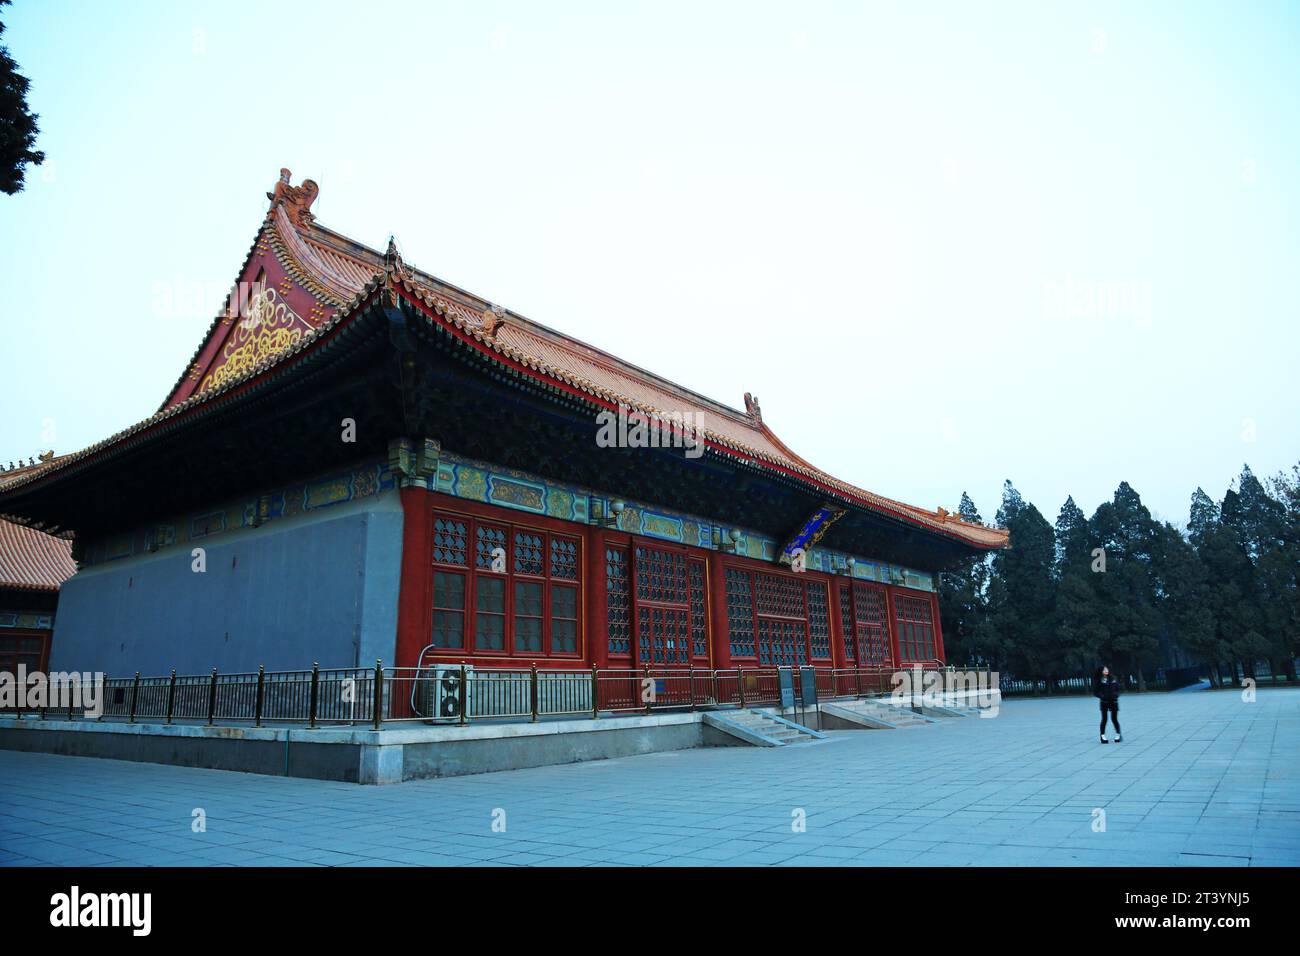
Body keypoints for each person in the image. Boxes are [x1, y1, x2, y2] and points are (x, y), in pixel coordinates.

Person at [1093, 665, 1122, 743]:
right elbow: (1095, 692)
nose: (1106, 670)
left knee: (1114, 719)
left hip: (1114, 701)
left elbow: (1119, 688)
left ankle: (1118, 734)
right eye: (1104, 670)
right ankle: (1102, 736)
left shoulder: (1113, 678)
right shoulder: (1099, 680)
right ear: (1101, 671)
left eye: (1107, 669)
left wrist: (1116, 695)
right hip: (1104, 702)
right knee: (1104, 719)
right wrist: (1102, 696)